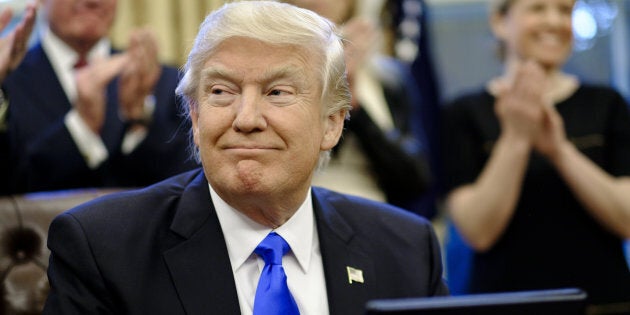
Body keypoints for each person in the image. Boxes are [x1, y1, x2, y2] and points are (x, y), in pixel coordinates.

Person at [42, 2, 449, 314]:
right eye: (221, 92)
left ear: (332, 124)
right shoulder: (102, 249)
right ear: (196, 118)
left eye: (277, 93)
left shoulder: (406, 250)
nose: (247, 119)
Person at [441, 0, 630, 306]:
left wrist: (559, 150)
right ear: (500, 22)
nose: (554, 21)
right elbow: (478, 231)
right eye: (538, 8)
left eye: (565, 10)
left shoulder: (608, 104)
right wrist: (516, 138)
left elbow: (626, 218)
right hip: (503, 303)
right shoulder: (463, 113)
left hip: (603, 302)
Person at [0, 0, 196, 195]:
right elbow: (13, 184)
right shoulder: (6, 83)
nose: (93, 2)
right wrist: (82, 127)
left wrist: (138, 121)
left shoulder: (167, 82)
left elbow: (188, 188)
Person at [281, 0, 432, 216]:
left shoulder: (386, 75)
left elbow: (416, 179)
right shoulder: (264, 72)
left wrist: (354, 103)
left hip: (375, 217)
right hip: (297, 216)